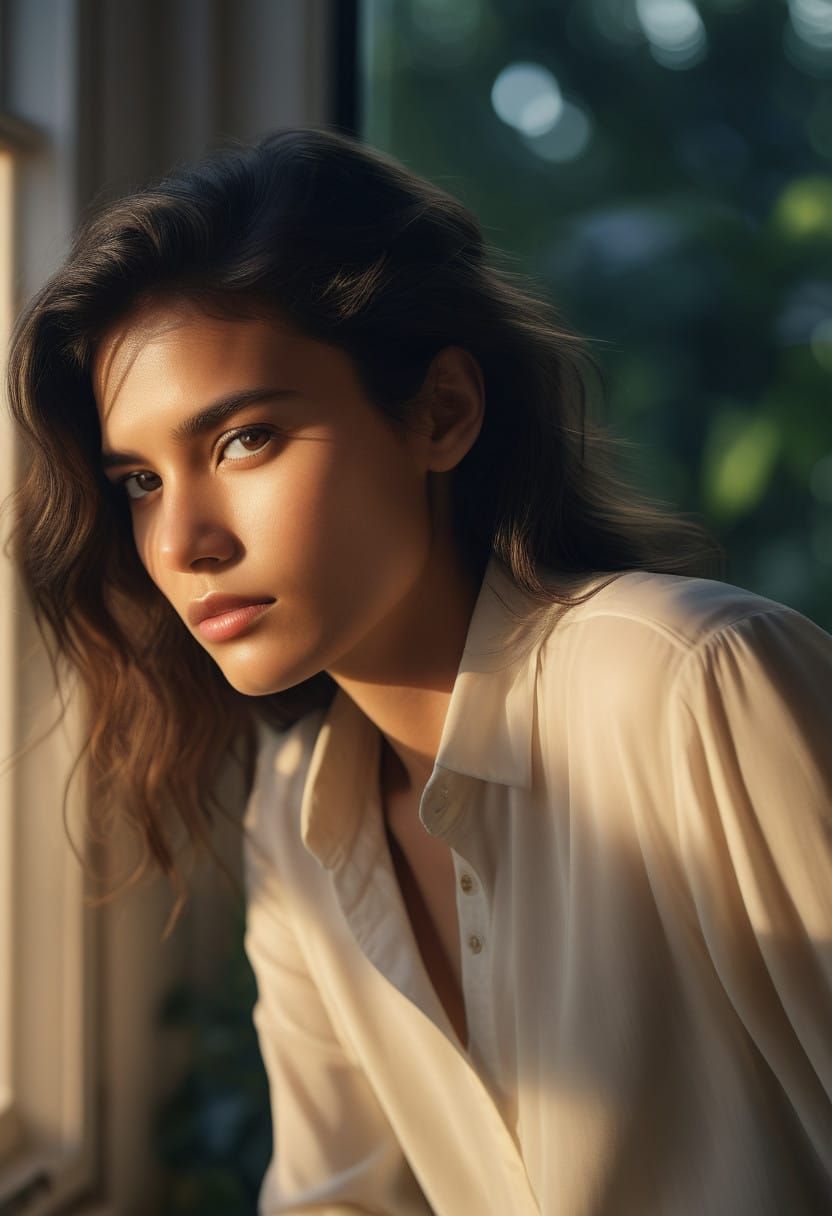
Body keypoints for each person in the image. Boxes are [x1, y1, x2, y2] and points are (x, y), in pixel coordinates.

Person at [4, 125, 831, 1215]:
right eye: (140, 482)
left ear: (441, 412)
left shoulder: (695, 686)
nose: (182, 543)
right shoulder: (298, 810)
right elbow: (336, 1201)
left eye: (245, 439)